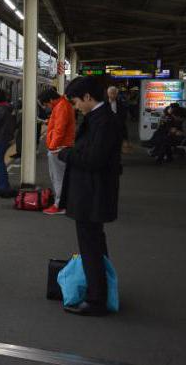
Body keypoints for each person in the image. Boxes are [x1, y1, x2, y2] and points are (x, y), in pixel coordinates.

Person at [55, 76, 122, 316]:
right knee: (94, 243)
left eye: (75, 102)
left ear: (87, 97)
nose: (75, 107)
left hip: (92, 194)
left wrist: (66, 155)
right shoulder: (98, 118)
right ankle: (102, 288)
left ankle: (96, 301)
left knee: (90, 245)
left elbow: (94, 160)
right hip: (91, 192)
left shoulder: (103, 122)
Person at [38, 88, 75, 215]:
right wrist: (49, 121)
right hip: (62, 146)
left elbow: (60, 130)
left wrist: (52, 147)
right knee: (61, 177)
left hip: (59, 148)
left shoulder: (61, 107)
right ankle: (62, 203)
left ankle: (59, 205)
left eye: (47, 104)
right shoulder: (62, 105)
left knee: (58, 178)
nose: (47, 107)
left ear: (51, 100)